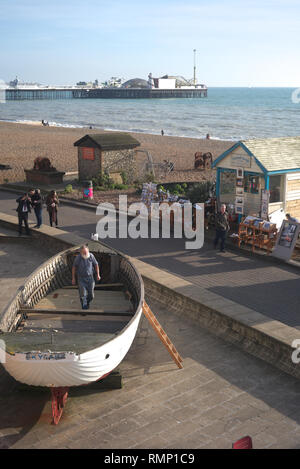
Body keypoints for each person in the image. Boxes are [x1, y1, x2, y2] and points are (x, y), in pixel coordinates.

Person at [72, 245, 101, 311]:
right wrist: (73, 278)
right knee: (83, 294)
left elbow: (96, 265)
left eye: (86, 252)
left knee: (91, 295)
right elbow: (74, 267)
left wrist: (98, 274)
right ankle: (84, 307)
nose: (85, 254)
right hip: (81, 279)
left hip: (90, 278)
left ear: (88, 251)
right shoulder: (78, 258)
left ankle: (87, 302)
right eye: (84, 253)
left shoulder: (91, 256)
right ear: (81, 253)